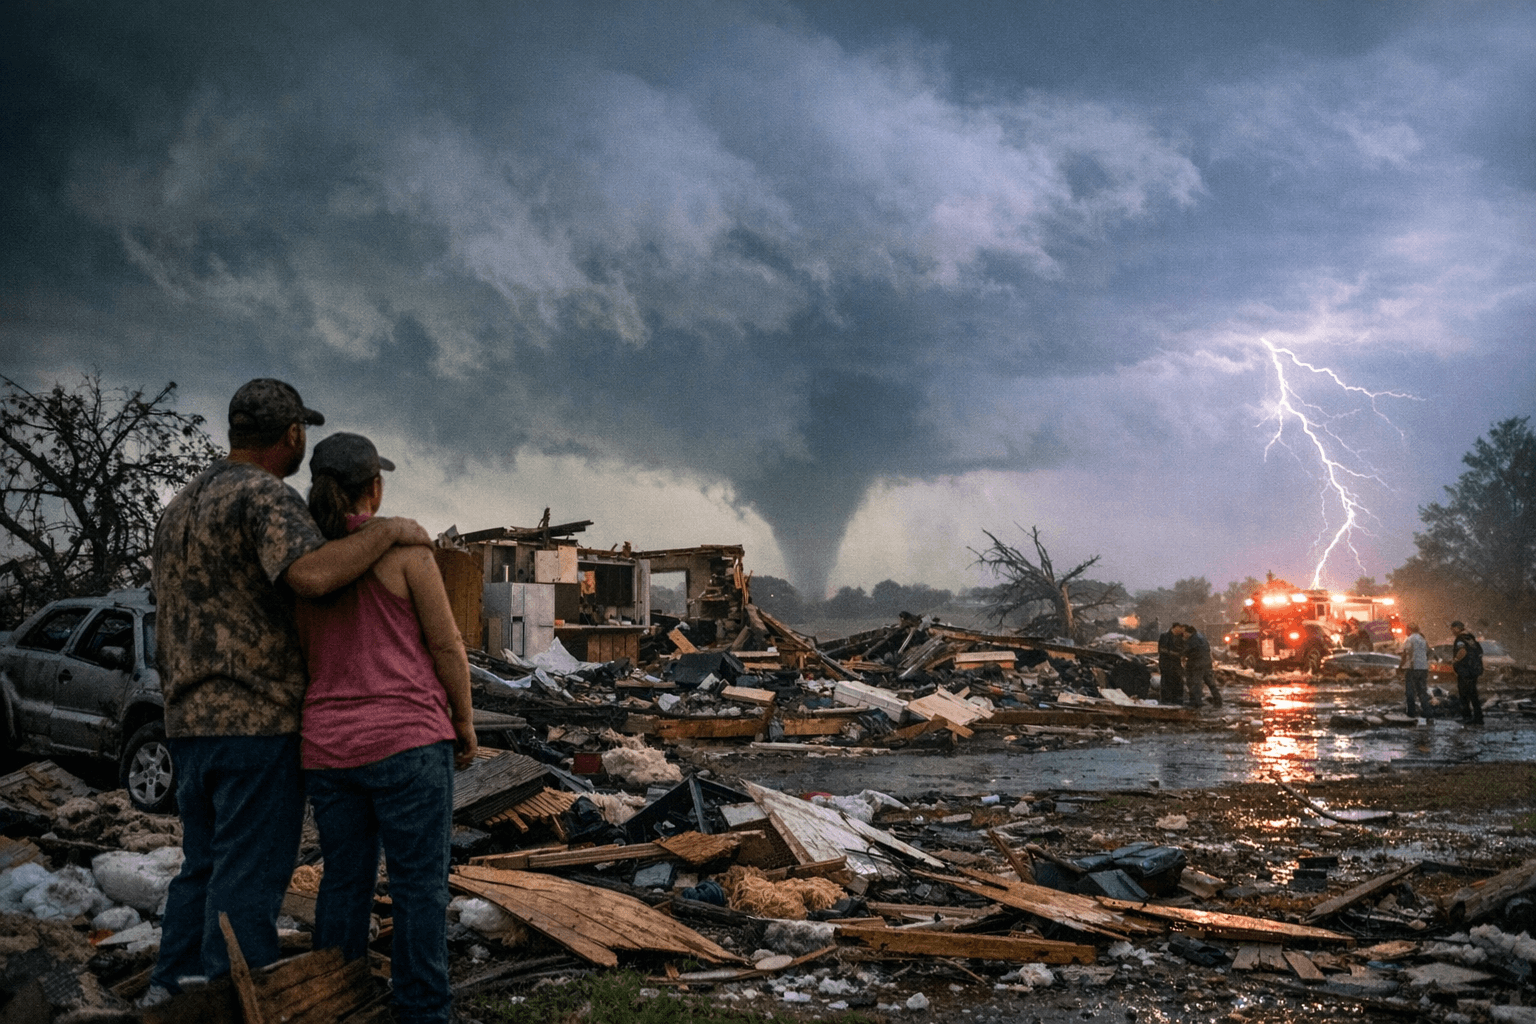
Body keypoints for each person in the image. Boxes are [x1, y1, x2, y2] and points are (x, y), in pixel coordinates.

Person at [147, 381, 432, 1003]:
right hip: (255, 721)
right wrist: (390, 533)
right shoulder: (265, 496)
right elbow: (312, 575)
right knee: (250, 875)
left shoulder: (182, 505)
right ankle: (235, 1005)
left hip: (188, 722)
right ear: (293, 436)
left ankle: (172, 995)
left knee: (201, 868)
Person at [295, 432, 477, 1024]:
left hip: (329, 750)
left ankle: (331, 1003)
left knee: (342, 882)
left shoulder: (303, 564)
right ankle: (422, 1012)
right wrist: (465, 721)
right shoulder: (408, 556)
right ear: (375, 487)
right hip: (409, 742)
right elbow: (447, 645)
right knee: (418, 888)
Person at [1450, 620, 1485, 725]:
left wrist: (1455, 660)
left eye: (1452, 629)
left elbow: (1462, 651)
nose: (1452, 631)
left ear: (1457, 628)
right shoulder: (1470, 637)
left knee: (1464, 695)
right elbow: (1479, 652)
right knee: (1473, 694)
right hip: (1474, 670)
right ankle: (1478, 718)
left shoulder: (1460, 639)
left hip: (1465, 671)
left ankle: (1467, 717)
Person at [1181, 624, 1221, 708]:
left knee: (1195, 683)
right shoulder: (1201, 636)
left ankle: (1196, 702)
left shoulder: (1193, 640)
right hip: (1206, 663)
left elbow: (1187, 651)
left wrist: (1182, 655)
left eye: (1183, 633)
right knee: (1210, 683)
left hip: (1197, 664)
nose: (1183, 635)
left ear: (1188, 632)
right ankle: (1218, 700)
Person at [1399, 623, 1431, 718]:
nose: (1405, 631)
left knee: (1410, 691)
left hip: (1413, 668)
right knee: (1422, 691)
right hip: (1423, 668)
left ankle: (1411, 713)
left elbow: (1406, 654)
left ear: (1410, 629)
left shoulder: (1410, 639)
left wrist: (1400, 666)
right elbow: (1428, 652)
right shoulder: (1423, 639)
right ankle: (1427, 712)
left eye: (1406, 629)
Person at [1157, 623, 1186, 705]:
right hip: (1166, 663)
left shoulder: (1181, 638)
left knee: (1178, 682)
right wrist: (1175, 653)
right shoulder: (1165, 636)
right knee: (1166, 682)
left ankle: (1177, 700)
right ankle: (1166, 701)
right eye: (1180, 628)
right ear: (1175, 627)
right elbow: (1162, 650)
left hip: (1177, 664)